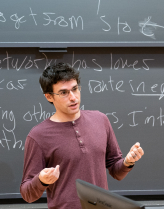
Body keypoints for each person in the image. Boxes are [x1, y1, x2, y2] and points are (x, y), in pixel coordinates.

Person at [20, 62, 144, 208]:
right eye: (64, 93)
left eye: (75, 89)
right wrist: (41, 180)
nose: (73, 97)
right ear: (49, 97)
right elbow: (27, 193)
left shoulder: (100, 120)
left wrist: (128, 162)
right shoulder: (38, 136)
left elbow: (117, 172)